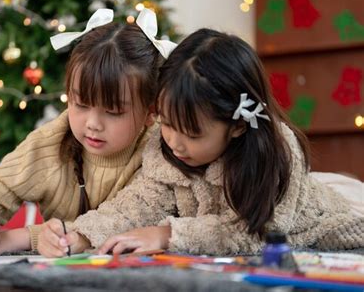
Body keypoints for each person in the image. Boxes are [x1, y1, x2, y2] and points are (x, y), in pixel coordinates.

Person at [39, 28, 364, 257]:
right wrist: (80, 235)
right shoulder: (164, 148)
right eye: (167, 123)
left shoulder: (274, 151)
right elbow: (136, 204)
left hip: (334, 216)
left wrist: (168, 235)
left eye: (192, 134)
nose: (174, 142)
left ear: (236, 126)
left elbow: (254, 233)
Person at [0, 8, 177, 261]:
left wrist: (26, 236)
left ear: (151, 111)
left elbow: (136, 220)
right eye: (81, 104)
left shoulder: (165, 148)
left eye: (113, 111)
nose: (93, 124)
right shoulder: (51, 144)